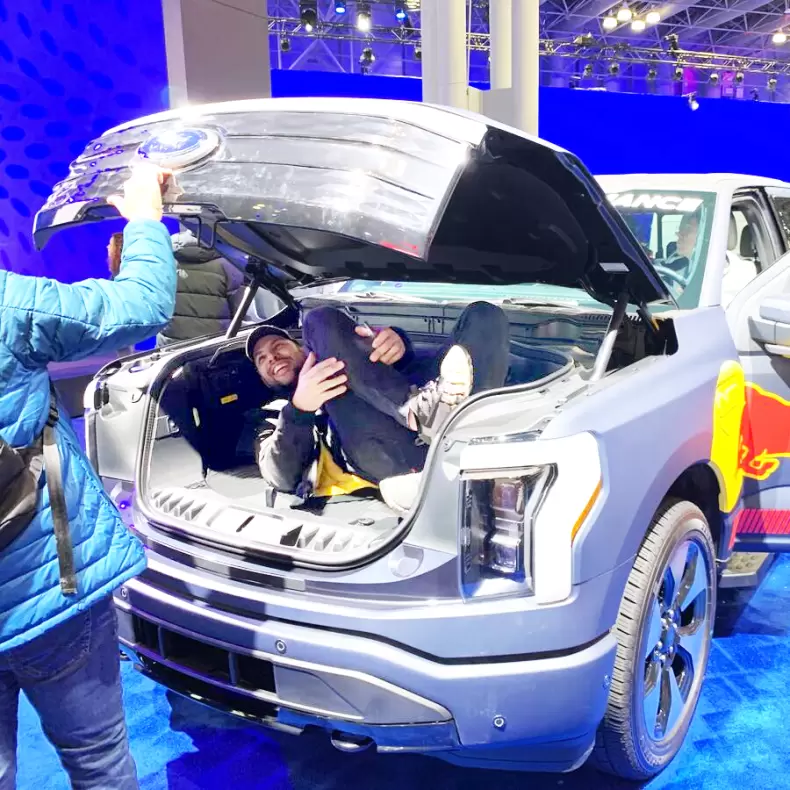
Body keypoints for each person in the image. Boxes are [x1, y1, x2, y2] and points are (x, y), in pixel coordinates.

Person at [0, 164, 177, 790]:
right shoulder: (6, 306)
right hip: (48, 587)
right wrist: (146, 223)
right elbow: (141, 306)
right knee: (99, 763)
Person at [241, 302, 510, 512]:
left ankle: (443, 425)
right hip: (385, 453)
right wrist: (301, 408)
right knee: (317, 319)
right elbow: (280, 477)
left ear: (302, 347)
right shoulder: (272, 415)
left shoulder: (338, 355)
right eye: (261, 359)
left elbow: (411, 374)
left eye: (278, 346)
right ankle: (426, 416)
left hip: (437, 421)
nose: (272, 357)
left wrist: (400, 349)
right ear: (262, 378)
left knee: (484, 315)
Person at [156, 229, 246, 346]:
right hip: (210, 347)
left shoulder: (166, 258)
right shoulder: (228, 263)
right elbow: (240, 309)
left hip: (170, 346)